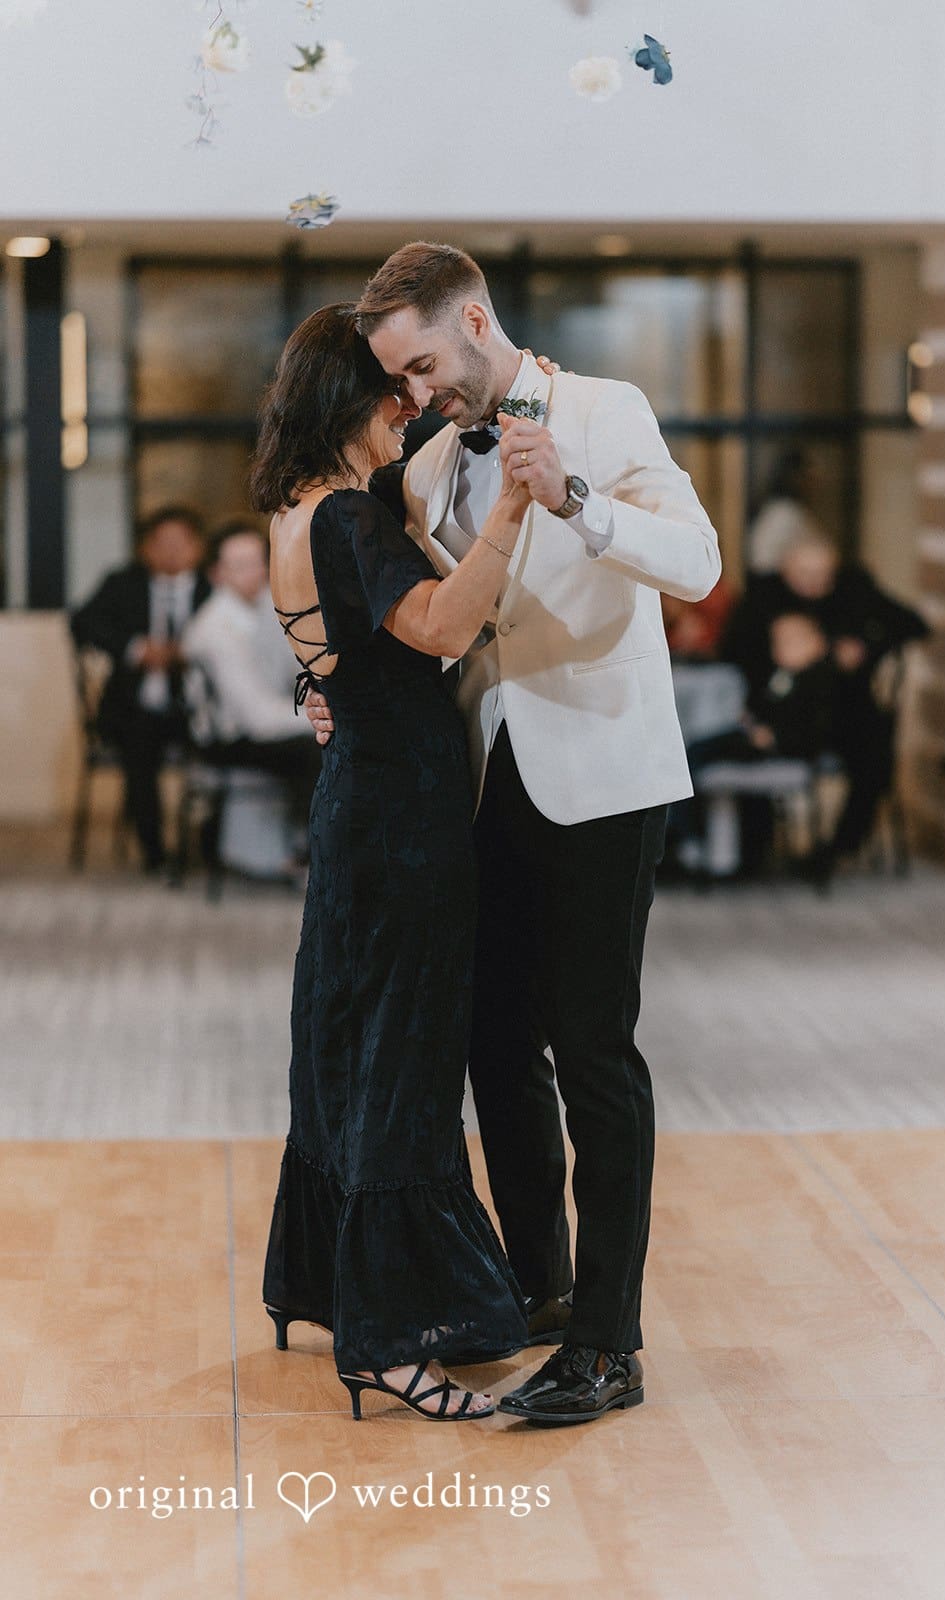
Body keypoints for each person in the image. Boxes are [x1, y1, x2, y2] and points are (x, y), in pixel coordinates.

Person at [303, 241, 721, 1426]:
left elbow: (697, 561)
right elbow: (385, 601)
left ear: (475, 321)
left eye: (426, 365)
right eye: (401, 379)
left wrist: (577, 501)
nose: (418, 396)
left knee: (593, 1049)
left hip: (601, 775)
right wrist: (320, 689)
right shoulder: (430, 460)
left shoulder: (603, 410)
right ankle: (534, 1289)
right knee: (492, 1044)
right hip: (484, 781)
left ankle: (608, 1339)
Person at [251, 304, 530, 1423]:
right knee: (404, 1057)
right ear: (345, 405)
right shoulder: (349, 521)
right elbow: (443, 627)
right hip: (401, 816)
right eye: (390, 393)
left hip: (355, 799)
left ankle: (325, 1288)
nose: (408, 404)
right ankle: (393, 1338)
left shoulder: (293, 510)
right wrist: (513, 503)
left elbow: (331, 657)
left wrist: (318, 695)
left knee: (344, 1036)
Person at [722, 533, 929, 859]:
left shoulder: (852, 589)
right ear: (785, 569)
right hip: (780, 707)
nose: (813, 585)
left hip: (843, 706)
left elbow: (914, 625)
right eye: (803, 575)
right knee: (741, 741)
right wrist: (780, 651)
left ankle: (841, 846)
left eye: (822, 577)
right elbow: (733, 653)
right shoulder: (765, 595)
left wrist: (864, 647)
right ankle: (752, 848)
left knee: (876, 745)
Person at [70, 506, 210, 871]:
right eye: (161, 542)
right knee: (139, 743)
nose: (171, 551)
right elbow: (82, 622)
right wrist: (136, 649)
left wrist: (187, 651)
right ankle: (154, 852)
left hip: (196, 709)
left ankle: (210, 847)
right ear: (145, 549)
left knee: (220, 745)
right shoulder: (123, 583)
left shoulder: (212, 588)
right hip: (133, 709)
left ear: (198, 548)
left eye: (181, 542)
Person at [664, 612, 836, 881]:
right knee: (697, 751)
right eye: (777, 642)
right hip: (758, 739)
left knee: (699, 753)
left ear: (817, 643)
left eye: (791, 641)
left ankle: (686, 834)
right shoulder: (781, 676)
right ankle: (686, 832)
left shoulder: (819, 681)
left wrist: (773, 736)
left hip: (783, 749)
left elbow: (812, 730)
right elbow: (766, 709)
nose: (781, 648)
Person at [181, 518, 321, 842]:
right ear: (217, 574)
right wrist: (320, 719)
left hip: (260, 724)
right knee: (318, 747)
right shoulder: (215, 629)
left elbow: (297, 669)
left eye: (259, 561)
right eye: (241, 565)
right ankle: (307, 850)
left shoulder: (265, 608)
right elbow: (256, 718)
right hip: (227, 738)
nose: (256, 572)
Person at [747, 447, 827, 576]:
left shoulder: (792, 510)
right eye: (808, 478)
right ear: (794, 478)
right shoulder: (782, 512)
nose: (813, 486)